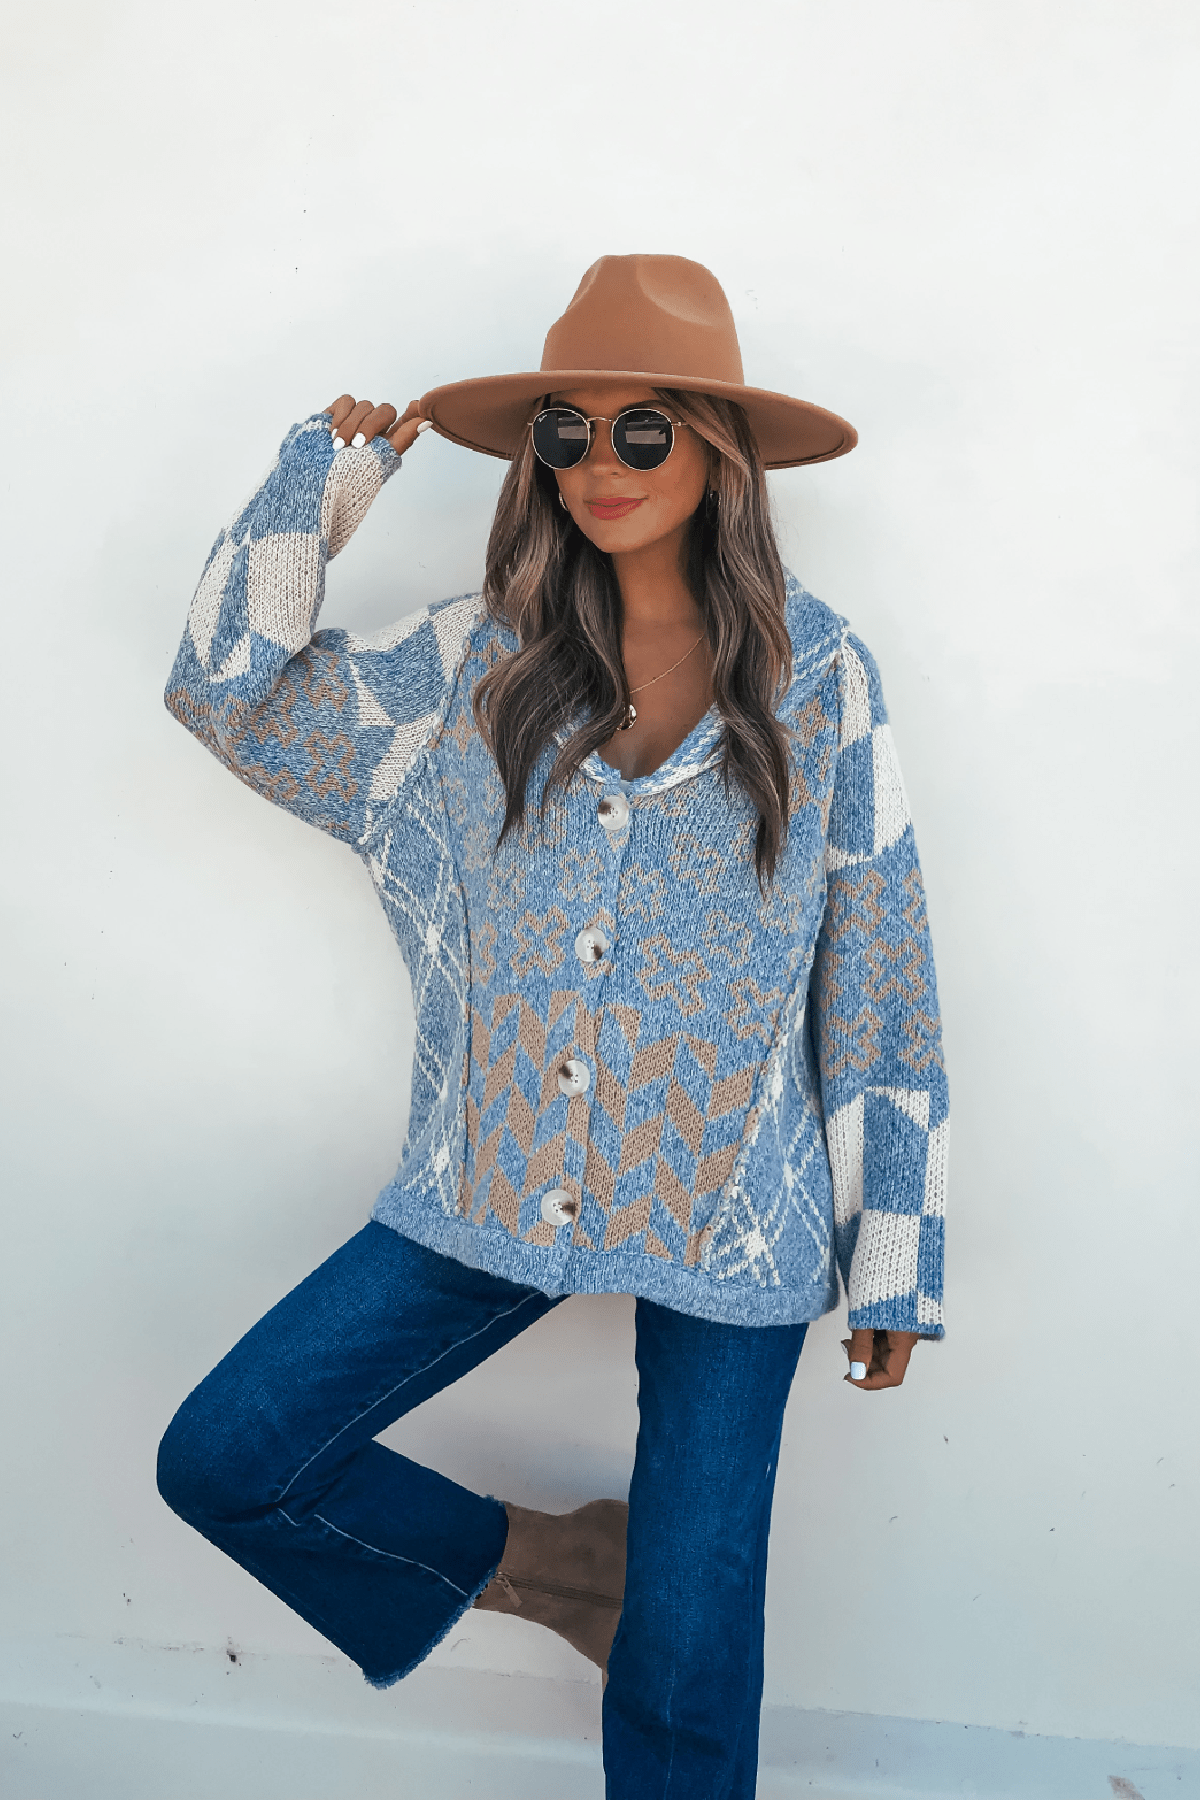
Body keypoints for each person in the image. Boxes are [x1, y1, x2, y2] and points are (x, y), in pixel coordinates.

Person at [156, 254, 948, 1798]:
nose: (598, 463)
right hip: (490, 1178)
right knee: (230, 1456)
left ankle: (641, 1606)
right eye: (564, 431)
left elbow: (880, 958)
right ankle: (558, 1568)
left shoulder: (822, 677)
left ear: (719, 450)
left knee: (688, 1658)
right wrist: (318, 487)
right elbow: (224, 694)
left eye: (642, 429)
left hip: (737, 1216)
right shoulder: (470, 667)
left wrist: (893, 1250)